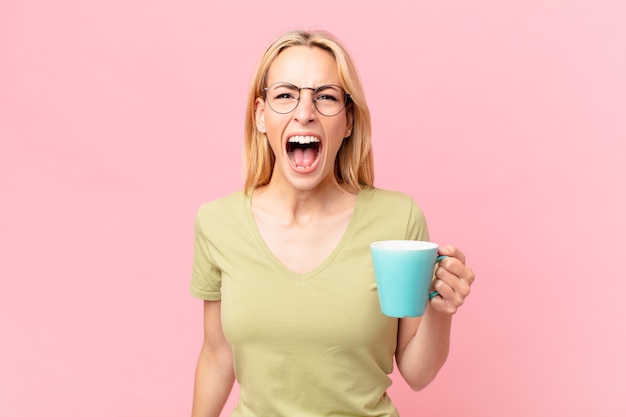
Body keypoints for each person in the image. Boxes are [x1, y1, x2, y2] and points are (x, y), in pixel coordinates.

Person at [189, 29, 475, 417]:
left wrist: (441, 311)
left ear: (349, 121)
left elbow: (417, 372)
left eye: (325, 97)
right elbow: (218, 355)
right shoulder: (217, 223)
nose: (304, 112)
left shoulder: (398, 219)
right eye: (286, 95)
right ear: (260, 116)